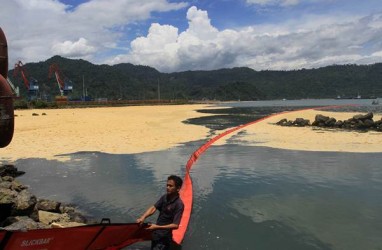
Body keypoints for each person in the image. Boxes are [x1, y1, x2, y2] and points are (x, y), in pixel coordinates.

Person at [137, 175, 184, 250]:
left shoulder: (179, 205)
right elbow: (153, 208)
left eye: (170, 186)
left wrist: (157, 227)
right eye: (167, 185)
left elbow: (175, 225)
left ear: (178, 188)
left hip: (164, 239)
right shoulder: (165, 197)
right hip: (156, 234)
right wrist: (143, 217)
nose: (167, 188)